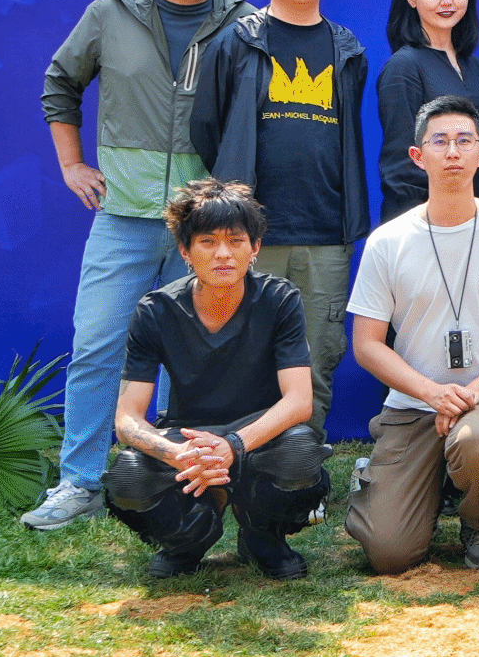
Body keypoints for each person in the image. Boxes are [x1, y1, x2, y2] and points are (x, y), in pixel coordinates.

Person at [27, 0, 258, 532]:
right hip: (123, 217)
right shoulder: (111, 12)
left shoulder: (243, 21)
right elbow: (60, 83)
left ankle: (181, 478)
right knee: (98, 345)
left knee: (197, 355)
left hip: (206, 227)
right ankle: (78, 480)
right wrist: (72, 165)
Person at [343, 97, 479, 574]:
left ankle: (478, 521)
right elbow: (367, 344)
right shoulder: (388, 242)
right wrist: (432, 393)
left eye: (464, 141)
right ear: (417, 156)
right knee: (390, 553)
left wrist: (474, 392)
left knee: (478, 441)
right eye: (439, 141)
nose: (452, 152)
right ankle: (394, 482)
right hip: (413, 406)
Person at [191, 0, 370, 428]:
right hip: (247, 233)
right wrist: (235, 186)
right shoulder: (237, 42)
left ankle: (302, 460)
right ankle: (241, 459)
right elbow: (206, 127)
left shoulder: (347, 49)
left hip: (326, 232)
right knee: (241, 354)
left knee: (317, 355)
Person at [103, 179, 329, 579]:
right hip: (188, 437)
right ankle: (187, 540)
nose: (223, 253)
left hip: (257, 436)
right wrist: (175, 454)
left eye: (235, 240)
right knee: (128, 474)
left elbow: (299, 401)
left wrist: (233, 446)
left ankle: (263, 535)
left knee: (299, 451)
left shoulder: (280, 299)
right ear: (185, 251)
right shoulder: (155, 311)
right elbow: (127, 419)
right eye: (207, 242)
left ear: (254, 247)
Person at [376, 0, 479, 221]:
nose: (446, 0)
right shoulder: (403, 67)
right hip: (429, 224)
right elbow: (401, 168)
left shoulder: (475, 67)